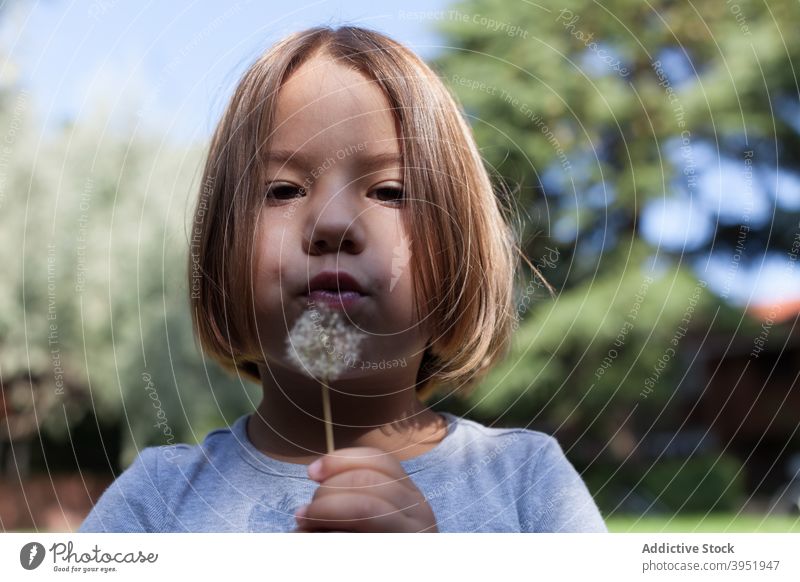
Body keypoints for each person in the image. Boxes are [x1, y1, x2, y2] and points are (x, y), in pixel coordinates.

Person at [79, 25, 607, 533]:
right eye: (283, 190)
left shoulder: (528, 483)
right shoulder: (154, 503)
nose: (333, 222)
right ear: (219, 248)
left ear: (458, 250)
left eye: (390, 191)